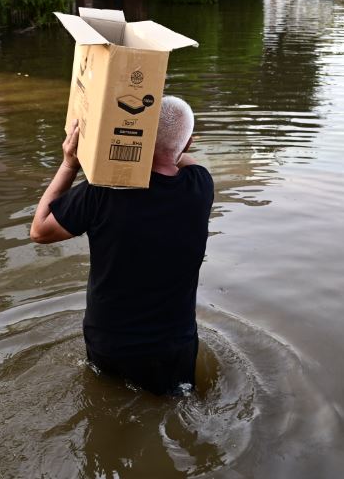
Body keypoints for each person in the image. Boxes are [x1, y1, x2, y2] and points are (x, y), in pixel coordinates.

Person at [30, 96, 214, 395]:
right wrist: (172, 143)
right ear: (190, 143)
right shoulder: (200, 186)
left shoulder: (100, 194)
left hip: (109, 343)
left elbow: (39, 230)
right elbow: (181, 156)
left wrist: (69, 164)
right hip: (172, 348)